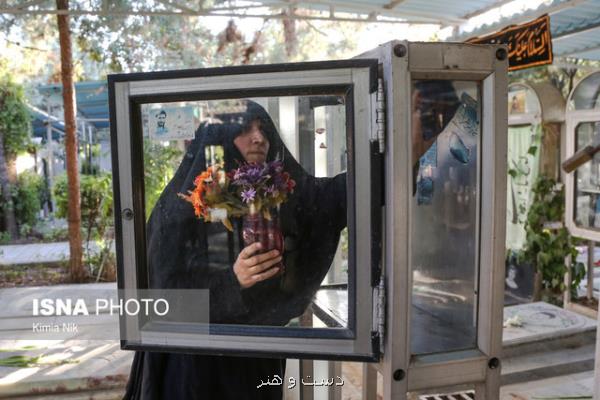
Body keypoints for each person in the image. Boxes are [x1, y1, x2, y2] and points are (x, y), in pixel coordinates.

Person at [123, 100, 347, 399]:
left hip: (257, 357)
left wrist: (405, 145)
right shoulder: (178, 213)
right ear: (220, 137)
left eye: (264, 129)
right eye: (245, 129)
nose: (259, 138)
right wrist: (234, 280)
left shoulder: (274, 191)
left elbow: (328, 200)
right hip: (197, 368)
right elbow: (164, 301)